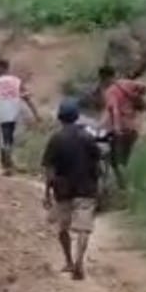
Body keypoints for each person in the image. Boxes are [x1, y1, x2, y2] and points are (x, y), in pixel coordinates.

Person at [42, 98, 101, 281]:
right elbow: (98, 160)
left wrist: (47, 192)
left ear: (60, 118)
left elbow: (49, 169)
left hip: (63, 190)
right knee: (83, 228)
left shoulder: (55, 139)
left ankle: (68, 260)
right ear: (76, 117)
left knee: (63, 228)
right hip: (86, 189)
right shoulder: (87, 137)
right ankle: (79, 262)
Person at [0, 59, 40, 175]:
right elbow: (27, 98)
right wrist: (36, 114)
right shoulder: (16, 81)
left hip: (1, 114)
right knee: (8, 137)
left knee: (4, 138)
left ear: (2, 68)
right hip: (14, 113)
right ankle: (7, 163)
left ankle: (7, 166)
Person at [98, 65, 146, 188]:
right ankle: (129, 185)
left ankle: (123, 187)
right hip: (134, 127)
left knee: (115, 161)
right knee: (126, 159)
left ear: (103, 78)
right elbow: (145, 88)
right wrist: (135, 97)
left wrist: (116, 128)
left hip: (121, 129)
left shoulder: (110, 92)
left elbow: (114, 110)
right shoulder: (126, 83)